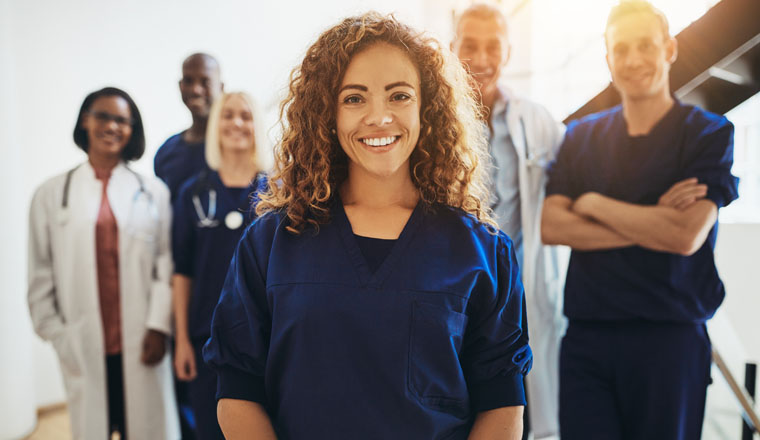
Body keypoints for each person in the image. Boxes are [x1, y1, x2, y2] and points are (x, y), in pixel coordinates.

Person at [203, 12, 532, 440]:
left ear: (426, 107)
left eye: (399, 96)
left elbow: (502, 403)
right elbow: (238, 389)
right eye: (354, 98)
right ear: (327, 113)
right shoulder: (272, 243)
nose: (379, 117)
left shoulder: (483, 253)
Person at [541, 2, 739, 439]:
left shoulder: (708, 134)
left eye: (645, 46)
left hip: (669, 340)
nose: (633, 60)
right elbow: (552, 226)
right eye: (621, 49)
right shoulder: (581, 137)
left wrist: (592, 203)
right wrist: (653, 223)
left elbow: (685, 235)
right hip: (587, 342)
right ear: (608, 60)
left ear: (668, 49)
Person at [27, 87, 179, 439]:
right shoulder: (51, 194)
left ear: (132, 129)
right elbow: (39, 273)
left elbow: (165, 263)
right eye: (103, 116)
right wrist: (59, 336)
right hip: (82, 342)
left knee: (147, 428)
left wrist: (158, 325)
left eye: (122, 120)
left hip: (143, 341)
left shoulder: (153, 191)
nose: (112, 126)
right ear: (85, 120)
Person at [451, 4, 565, 439]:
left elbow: (576, 181)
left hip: (520, 295)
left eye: (492, 46)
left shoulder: (537, 122)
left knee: (519, 415)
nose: (481, 58)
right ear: (452, 47)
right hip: (456, 290)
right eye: (470, 45)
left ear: (508, 51)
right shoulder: (427, 119)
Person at [172, 91, 268, 439]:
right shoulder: (192, 193)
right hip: (205, 339)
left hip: (265, 341)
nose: (237, 123)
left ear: (257, 124)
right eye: (227, 115)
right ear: (215, 125)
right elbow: (182, 271)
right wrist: (181, 340)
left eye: (245, 115)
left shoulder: (278, 193)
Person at [155, 52, 224, 202]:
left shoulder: (237, 147)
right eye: (188, 81)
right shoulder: (166, 152)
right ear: (180, 86)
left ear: (221, 88)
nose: (196, 90)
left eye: (205, 82)